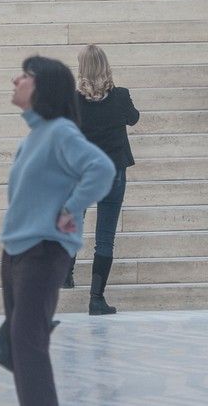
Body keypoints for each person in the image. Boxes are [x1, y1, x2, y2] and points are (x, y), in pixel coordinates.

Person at [1, 56, 115, 406]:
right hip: (17, 252)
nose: (14, 80)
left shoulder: (61, 132)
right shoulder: (36, 135)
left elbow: (102, 168)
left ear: (43, 87)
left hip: (43, 251)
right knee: (19, 345)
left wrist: (71, 208)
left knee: (26, 342)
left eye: (24, 76)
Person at [72, 44, 140, 315]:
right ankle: (96, 299)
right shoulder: (120, 96)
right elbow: (133, 119)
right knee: (105, 238)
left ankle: (67, 269)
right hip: (113, 172)